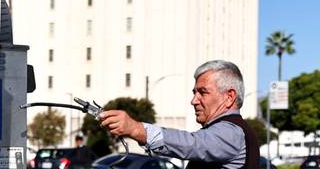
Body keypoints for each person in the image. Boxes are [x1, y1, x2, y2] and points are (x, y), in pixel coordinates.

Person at [99, 60, 259, 169]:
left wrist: (136, 129)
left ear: (229, 96)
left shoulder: (231, 132)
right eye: (194, 92)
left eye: (203, 92)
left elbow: (193, 144)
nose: (194, 100)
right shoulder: (227, 130)